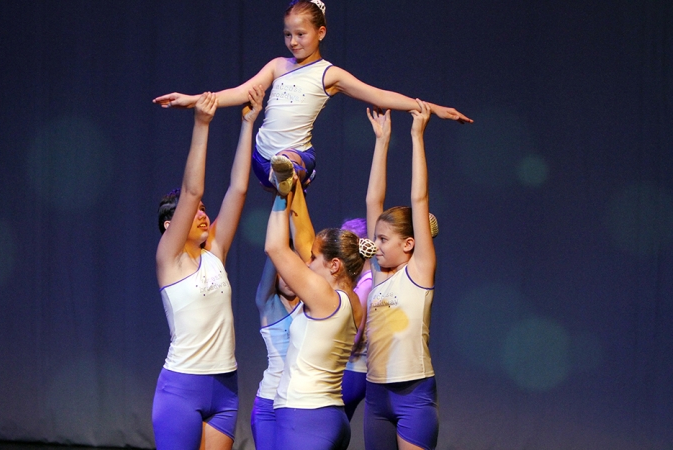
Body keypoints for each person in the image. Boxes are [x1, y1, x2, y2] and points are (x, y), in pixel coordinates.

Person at [153, 0, 472, 196]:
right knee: (279, 173)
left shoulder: (329, 74)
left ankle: (288, 176)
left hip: (298, 158)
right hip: (261, 159)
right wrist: (193, 99)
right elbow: (239, 93)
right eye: (287, 34)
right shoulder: (278, 66)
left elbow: (380, 96)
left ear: (321, 32)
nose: (293, 41)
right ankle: (281, 177)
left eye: (300, 34)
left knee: (289, 164)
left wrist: (432, 107)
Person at [151, 86, 264, 450]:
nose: (202, 214)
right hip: (182, 387)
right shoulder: (169, 258)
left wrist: (248, 124)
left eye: (204, 211)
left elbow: (239, 188)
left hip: (225, 387)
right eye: (195, 213)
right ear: (170, 226)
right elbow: (192, 190)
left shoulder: (214, 251)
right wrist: (202, 123)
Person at [264, 177, 376, 449]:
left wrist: (281, 195)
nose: (307, 261)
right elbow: (304, 238)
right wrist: (296, 185)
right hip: (330, 416)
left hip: (305, 417)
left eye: (314, 258)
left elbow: (275, 248)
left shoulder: (325, 298)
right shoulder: (351, 301)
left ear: (335, 265)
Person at [363, 102, 439, 450]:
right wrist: (381, 141)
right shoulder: (379, 273)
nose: (375, 245)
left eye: (383, 239)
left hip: (413, 393)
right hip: (376, 393)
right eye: (375, 238)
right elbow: (372, 199)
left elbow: (418, 197)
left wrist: (416, 136)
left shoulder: (419, 270)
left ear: (410, 243)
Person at [251, 178, 315, 449]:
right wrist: (282, 196)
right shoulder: (268, 304)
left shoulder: (312, 303)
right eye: (282, 273)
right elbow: (275, 252)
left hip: (300, 403)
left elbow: (307, 247)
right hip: (268, 404)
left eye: (294, 272)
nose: (289, 278)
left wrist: (297, 194)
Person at [340, 218, 373, 421]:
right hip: (355, 370)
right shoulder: (364, 282)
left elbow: (355, 332)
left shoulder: (366, 284)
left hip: (353, 369)